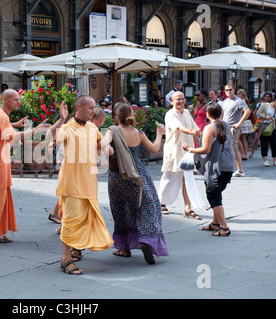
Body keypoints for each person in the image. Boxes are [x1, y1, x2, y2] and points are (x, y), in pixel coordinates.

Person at [0, 89, 59, 244]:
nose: (19, 103)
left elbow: (0, 127)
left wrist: (15, 124)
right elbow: (10, 136)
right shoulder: (2, 117)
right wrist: (33, 131)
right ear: (5, 100)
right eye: (15, 100)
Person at [103, 102, 168, 262]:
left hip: (118, 175)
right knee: (148, 205)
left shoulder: (113, 130)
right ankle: (147, 240)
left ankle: (124, 248)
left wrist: (107, 149)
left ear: (117, 117)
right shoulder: (139, 133)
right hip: (137, 174)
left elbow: (103, 143)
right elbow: (154, 149)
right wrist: (160, 133)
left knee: (121, 210)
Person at [56, 95, 114, 275]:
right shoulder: (67, 127)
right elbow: (53, 138)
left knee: (84, 219)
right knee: (70, 219)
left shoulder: (91, 127)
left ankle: (76, 249)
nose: (93, 110)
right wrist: (61, 119)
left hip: (89, 182)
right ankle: (66, 260)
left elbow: (98, 144)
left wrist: (106, 146)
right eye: (90, 108)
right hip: (72, 182)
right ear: (79, 108)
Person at [183, 103, 235, 237]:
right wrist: (198, 136)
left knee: (213, 196)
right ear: (221, 113)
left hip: (215, 168)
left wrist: (189, 149)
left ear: (207, 114)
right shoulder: (225, 125)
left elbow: (206, 149)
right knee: (217, 193)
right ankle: (214, 223)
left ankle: (224, 228)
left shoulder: (209, 128)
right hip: (227, 166)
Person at [158, 91, 204, 219]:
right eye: (178, 99)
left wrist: (200, 136)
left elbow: (196, 129)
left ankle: (188, 208)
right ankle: (161, 202)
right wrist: (191, 131)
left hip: (187, 150)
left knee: (187, 178)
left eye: (183, 99)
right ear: (172, 101)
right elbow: (179, 127)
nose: (181, 102)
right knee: (168, 176)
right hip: (174, 150)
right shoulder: (170, 114)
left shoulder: (187, 113)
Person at [222, 84, 251, 177]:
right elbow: (223, 114)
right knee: (225, 147)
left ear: (234, 90)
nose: (228, 92)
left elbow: (248, 111)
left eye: (230, 90)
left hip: (233, 128)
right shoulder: (225, 101)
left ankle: (240, 170)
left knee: (233, 148)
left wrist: (239, 123)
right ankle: (226, 167)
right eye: (227, 90)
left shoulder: (238, 101)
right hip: (224, 127)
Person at [256, 94, 276, 167]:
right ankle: (265, 160)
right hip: (264, 126)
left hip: (272, 127)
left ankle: (275, 160)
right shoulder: (265, 105)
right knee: (264, 143)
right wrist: (265, 117)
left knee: (274, 144)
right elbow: (258, 113)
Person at [249, 92, 274, 159]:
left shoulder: (272, 105)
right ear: (263, 97)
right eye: (266, 96)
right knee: (256, 138)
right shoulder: (259, 104)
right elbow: (255, 113)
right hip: (260, 123)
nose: (267, 98)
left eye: (269, 97)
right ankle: (252, 152)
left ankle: (265, 152)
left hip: (268, 123)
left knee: (268, 139)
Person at [236, 89, 253, 160]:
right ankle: (245, 154)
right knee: (244, 139)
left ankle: (243, 154)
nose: (237, 95)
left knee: (238, 139)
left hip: (242, 121)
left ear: (242, 94)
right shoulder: (246, 100)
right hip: (246, 121)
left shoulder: (241, 101)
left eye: (239, 94)